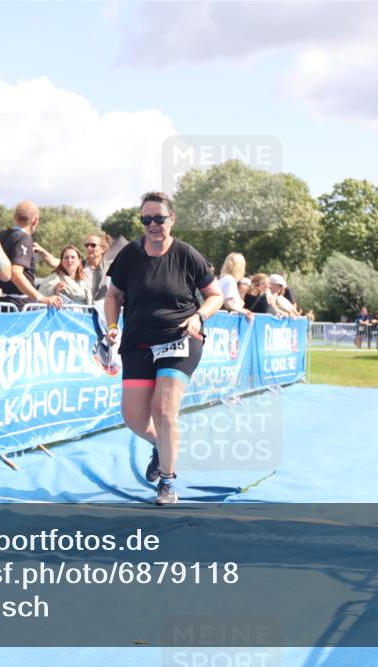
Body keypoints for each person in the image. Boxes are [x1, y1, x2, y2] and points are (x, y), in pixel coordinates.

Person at [105, 192, 223, 506]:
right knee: (133, 418)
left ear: (172, 219)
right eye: (147, 219)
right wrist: (113, 327)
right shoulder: (129, 254)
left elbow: (215, 296)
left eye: (159, 218)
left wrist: (199, 316)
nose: (153, 225)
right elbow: (113, 295)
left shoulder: (186, 254)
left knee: (164, 410)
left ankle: (168, 483)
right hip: (138, 342)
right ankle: (162, 446)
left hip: (180, 337)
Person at [0, 201, 62, 309]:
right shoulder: (23, 238)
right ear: (35, 220)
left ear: (15, 217)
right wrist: (41, 298)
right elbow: (16, 273)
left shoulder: (0, 236)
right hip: (17, 306)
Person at [40, 232, 111, 301]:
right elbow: (56, 262)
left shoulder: (110, 268)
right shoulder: (78, 265)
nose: (89, 248)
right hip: (84, 308)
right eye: (87, 245)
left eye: (93, 245)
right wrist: (41, 251)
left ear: (103, 249)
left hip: (103, 309)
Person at [218, 252, 253, 321]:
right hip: (227, 322)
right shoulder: (230, 280)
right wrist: (244, 312)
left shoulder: (225, 279)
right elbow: (229, 304)